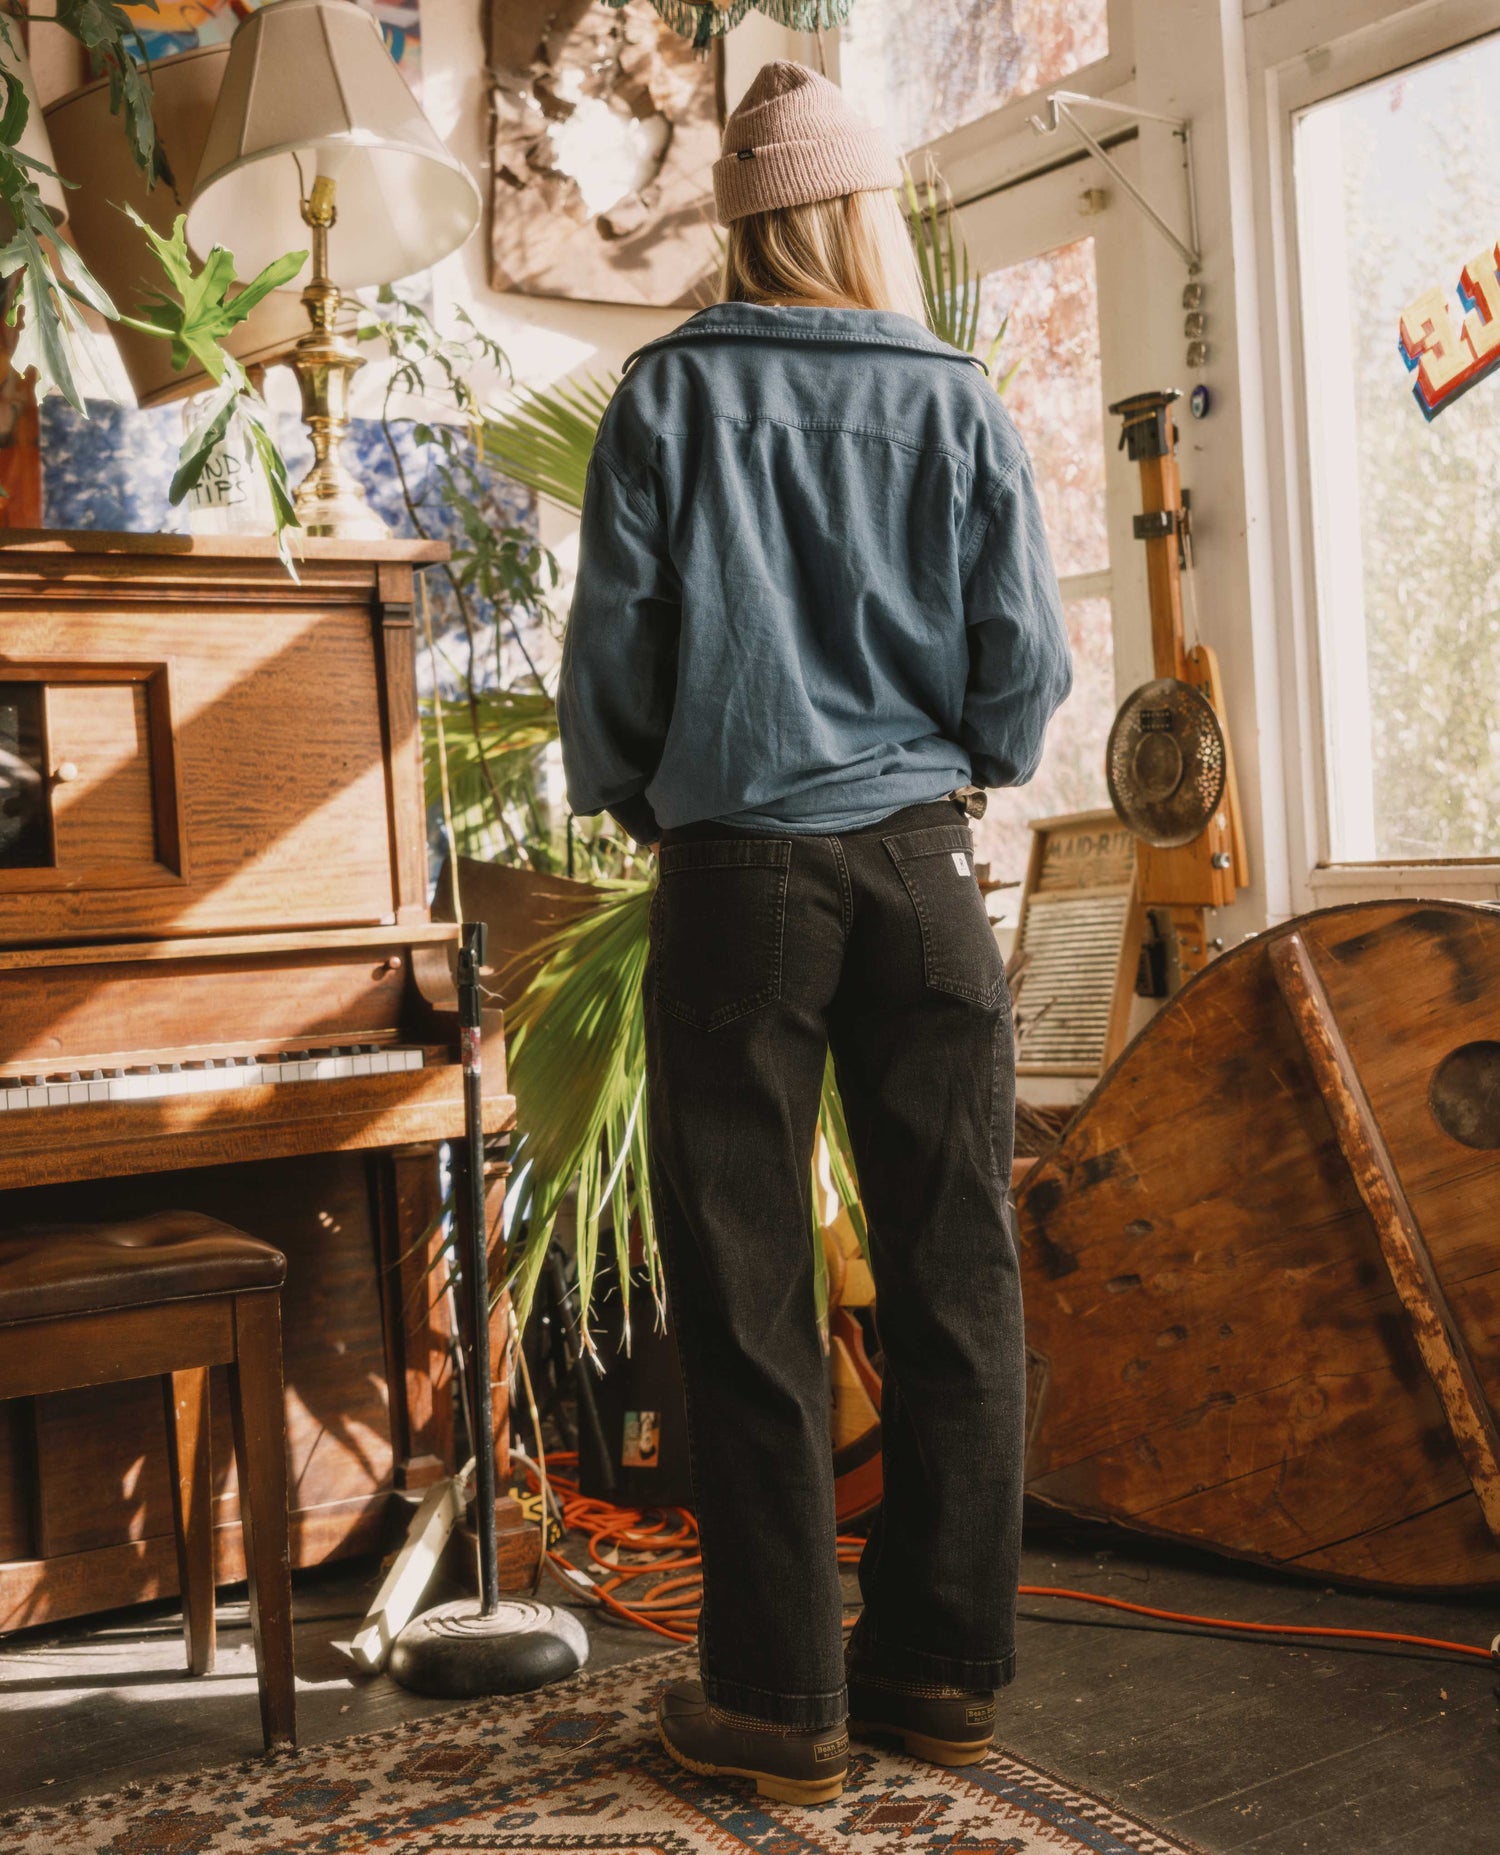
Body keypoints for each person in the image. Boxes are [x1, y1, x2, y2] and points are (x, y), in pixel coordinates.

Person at [557, 59, 1071, 1807]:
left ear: (746, 222)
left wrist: (651, 798)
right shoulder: (957, 396)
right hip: (926, 875)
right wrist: (954, 764)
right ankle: (941, 1676)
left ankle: (782, 1704)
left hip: (739, 881)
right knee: (958, 1280)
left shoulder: (668, 393)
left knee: (748, 1289)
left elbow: (617, 661)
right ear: (859, 212)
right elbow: (1022, 668)